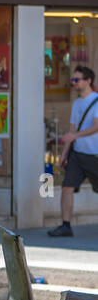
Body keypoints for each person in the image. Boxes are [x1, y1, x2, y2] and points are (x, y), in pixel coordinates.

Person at [48, 64, 98, 237]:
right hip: (77, 154)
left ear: (88, 81)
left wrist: (75, 135)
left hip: (94, 154)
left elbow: (96, 127)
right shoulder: (76, 104)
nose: (74, 83)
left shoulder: (96, 101)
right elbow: (71, 131)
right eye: (73, 80)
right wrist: (63, 155)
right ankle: (66, 225)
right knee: (67, 187)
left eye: (77, 80)